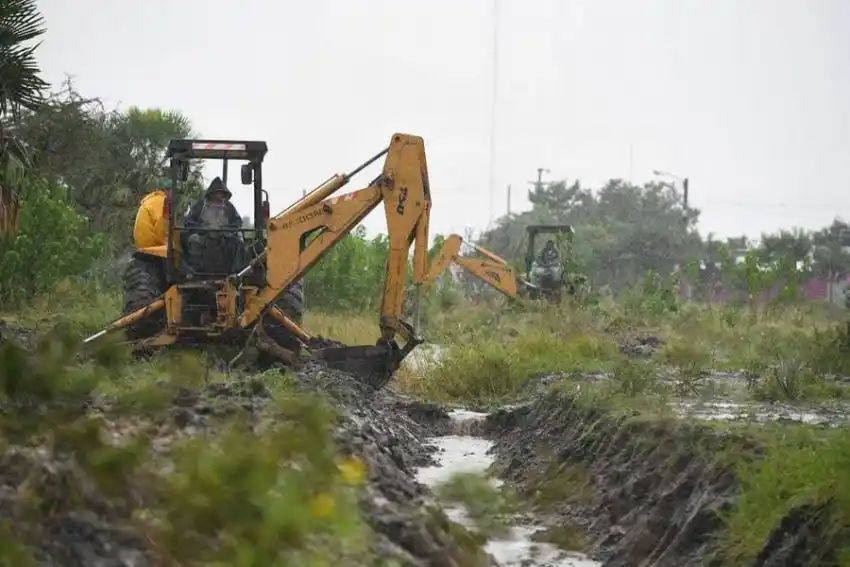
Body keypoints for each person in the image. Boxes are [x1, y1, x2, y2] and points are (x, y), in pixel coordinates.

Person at [183, 177, 244, 273]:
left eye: (221, 192)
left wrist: (226, 230)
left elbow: (238, 222)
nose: (220, 195)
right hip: (203, 235)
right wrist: (201, 229)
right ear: (212, 193)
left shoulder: (229, 206)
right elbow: (188, 221)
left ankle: (236, 272)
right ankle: (195, 269)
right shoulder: (201, 205)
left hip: (224, 236)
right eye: (217, 192)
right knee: (193, 239)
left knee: (237, 242)